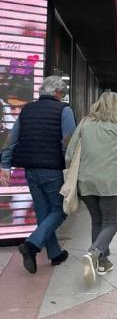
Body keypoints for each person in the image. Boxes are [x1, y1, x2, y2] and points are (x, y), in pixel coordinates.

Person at [65, 92, 117, 287]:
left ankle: (102, 262)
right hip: (112, 183)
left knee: (97, 221)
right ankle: (94, 253)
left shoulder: (85, 123)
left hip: (87, 182)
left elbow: (69, 153)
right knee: (111, 223)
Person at [0, 75, 76, 274]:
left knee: (44, 213)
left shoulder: (27, 110)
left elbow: (11, 140)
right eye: (63, 93)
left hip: (30, 170)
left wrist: (5, 165)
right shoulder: (64, 110)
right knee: (60, 210)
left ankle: (55, 254)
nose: (63, 97)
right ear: (58, 92)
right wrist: (70, 170)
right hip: (52, 170)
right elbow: (68, 145)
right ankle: (31, 245)